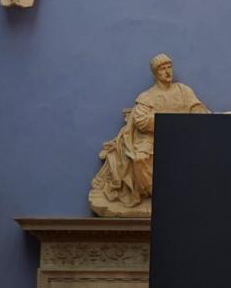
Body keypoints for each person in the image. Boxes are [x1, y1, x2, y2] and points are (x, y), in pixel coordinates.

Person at [89, 54, 208, 216]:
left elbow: (197, 109)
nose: (168, 72)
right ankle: (156, 192)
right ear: (155, 73)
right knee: (140, 158)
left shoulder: (183, 91)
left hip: (182, 135)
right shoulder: (147, 97)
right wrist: (167, 121)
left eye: (169, 67)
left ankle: (183, 191)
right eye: (163, 69)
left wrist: (201, 117)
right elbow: (141, 121)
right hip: (152, 138)